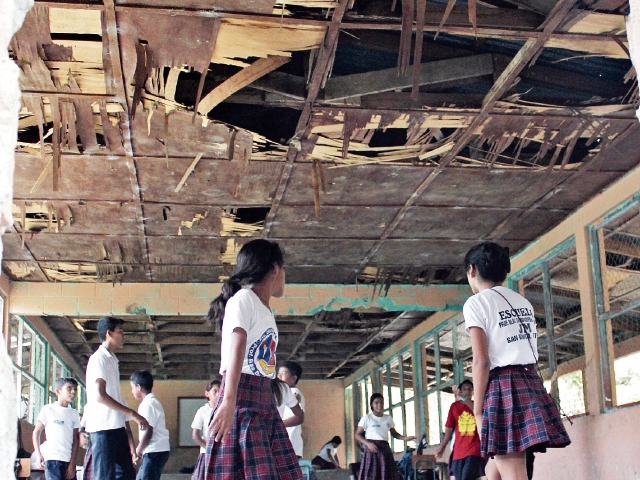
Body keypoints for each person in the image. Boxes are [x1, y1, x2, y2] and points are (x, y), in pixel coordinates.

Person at [193, 239, 302, 480]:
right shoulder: (243, 299)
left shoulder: (265, 309)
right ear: (275, 268)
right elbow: (237, 347)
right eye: (283, 269)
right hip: (242, 397)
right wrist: (229, 401)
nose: (284, 275)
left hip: (263, 399)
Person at [463, 242, 570, 480]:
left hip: (503, 388)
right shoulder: (522, 302)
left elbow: (481, 362)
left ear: (472, 270)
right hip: (529, 382)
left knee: (515, 475)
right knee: (495, 470)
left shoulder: (476, 303)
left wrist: (477, 409)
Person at [85, 316, 149, 480]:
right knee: (104, 476)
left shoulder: (112, 360)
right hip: (102, 430)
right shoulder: (98, 358)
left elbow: (116, 397)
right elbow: (100, 395)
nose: (123, 335)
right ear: (109, 333)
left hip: (116, 427)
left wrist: (127, 421)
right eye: (120, 332)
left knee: (127, 475)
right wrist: (133, 414)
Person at [355, 393, 414, 480]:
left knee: (386, 475)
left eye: (381, 402)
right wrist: (368, 444)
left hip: (384, 448)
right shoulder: (367, 418)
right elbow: (357, 435)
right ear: (372, 404)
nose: (379, 405)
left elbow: (394, 433)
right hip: (372, 449)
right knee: (371, 475)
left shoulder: (388, 418)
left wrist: (405, 438)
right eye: (376, 402)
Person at [435, 380, 485, 480]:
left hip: (474, 449)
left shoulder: (477, 406)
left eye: (469, 389)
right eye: (464, 389)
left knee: (467, 477)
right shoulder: (454, 407)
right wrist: (443, 446)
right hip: (458, 451)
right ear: (460, 391)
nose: (467, 391)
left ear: (473, 392)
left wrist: (463, 397)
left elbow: (477, 413)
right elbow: (449, 428)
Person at [32, 377, 80, 480]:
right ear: (58, 391)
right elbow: (36, 432)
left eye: (75, 389)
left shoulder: (74, 414)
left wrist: (72, 463)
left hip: (68, 461)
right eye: (69, 388)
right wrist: (38, 454)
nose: (73, 392)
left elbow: (75, 441)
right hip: (52, 459)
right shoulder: (48, 409)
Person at [130, 370, 170, 480]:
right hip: (153, 450)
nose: (132, 391)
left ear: (138, 387)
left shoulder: (149, 404)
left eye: (132, 387)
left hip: (154, 450)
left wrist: (138, 450)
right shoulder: (149, 402)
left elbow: (148, 431)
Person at [277, 361, 305, 458]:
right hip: (286, 443)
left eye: (283, 373)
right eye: (278, 373)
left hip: (289, 442)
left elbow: (296, 418)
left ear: (293, 378)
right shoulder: (284, 392)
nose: (279, 376)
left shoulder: (293, 393)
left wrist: (275, 425)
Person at [191, 379, 221, 461]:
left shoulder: (226, 410)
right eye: (214, 391)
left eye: (220, 391)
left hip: (223, 451)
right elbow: (195, 435)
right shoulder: (203, 411)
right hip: (207, 452)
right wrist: (208, 447)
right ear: (207, 394)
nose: (218, 394)